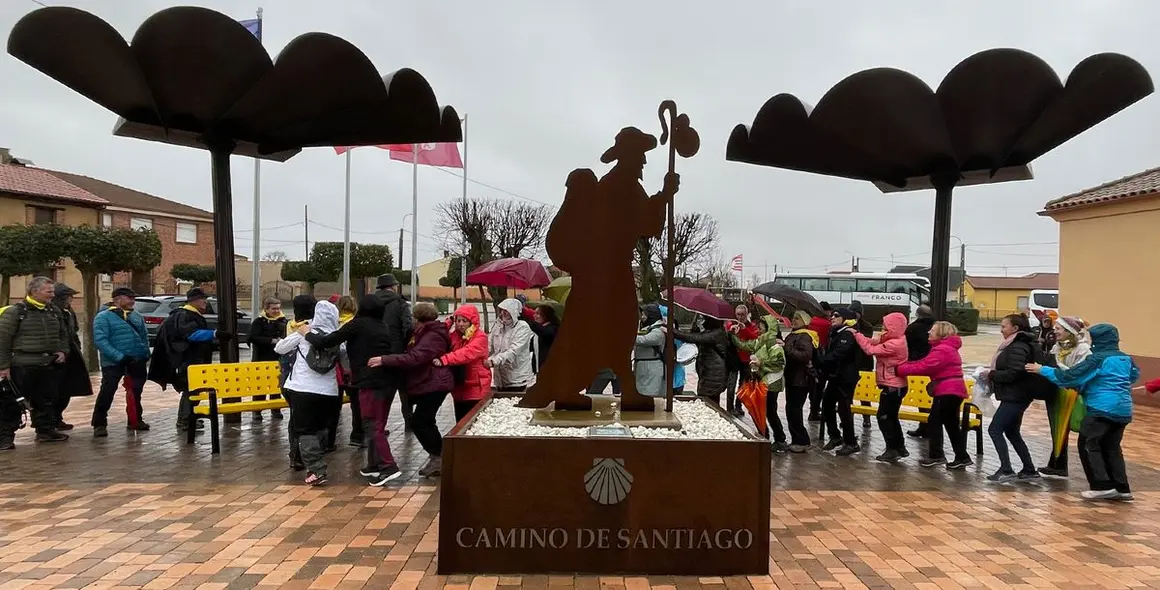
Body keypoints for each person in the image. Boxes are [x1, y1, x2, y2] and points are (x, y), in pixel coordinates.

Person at [517, 126, 678, 413]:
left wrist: (663, 196)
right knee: (615, 325)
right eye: (640, 153)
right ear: (628, 155)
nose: (643, 161)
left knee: (610, 326)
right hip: (607, 272)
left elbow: (644, 223)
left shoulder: (621, 183)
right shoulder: (621, 184)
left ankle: (574, 389)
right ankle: (582, 389)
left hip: (605, 272)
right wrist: (664, 195)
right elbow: (646, 224)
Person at [1027, 324, 1138, 501]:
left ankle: (1101, 486)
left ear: (1099, 340)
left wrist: (1042, 369)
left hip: (1101, 408)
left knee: (1088, 444)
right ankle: (1122, 488)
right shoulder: (1125, 358)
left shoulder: (1097, 359)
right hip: (1123, 409)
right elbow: (1133, 376)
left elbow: (1069, 377)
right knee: (1112, 448)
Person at [302, 294, 401, 486]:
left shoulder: (358, 324)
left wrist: (307, 333)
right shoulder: (383, 326)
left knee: (372, 425)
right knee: (376, 423)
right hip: (388, 381)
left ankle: (388, 467)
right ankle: (374, 465)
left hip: (370, 382)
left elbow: (327, 341)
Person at [370, 302, 453, 477]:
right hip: (429, 382)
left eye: (413, 317)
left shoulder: (432, 336)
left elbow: (415, 357)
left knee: (420, 421)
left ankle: (440, 456)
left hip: (435, 383)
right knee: (425, 421)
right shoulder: (425, 332)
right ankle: (439, 456)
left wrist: (386, 360)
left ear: (418, 319)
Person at [981, 314, 1054, 483]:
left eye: (1004, 326)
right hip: (1017, 394)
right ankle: (1029, 469)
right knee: (1012, 431)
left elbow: (1015, 372)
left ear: (1015, 329)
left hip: (1016, 395)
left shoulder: (1017, 346)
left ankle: (1006, 469)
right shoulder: (1017, 344)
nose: (1001, 330)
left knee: (995, 429)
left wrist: (991, 374)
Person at [0, 276, 71, 447]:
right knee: (12, 403)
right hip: (21, 365)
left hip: (47, 364)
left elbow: (63, 334)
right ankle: (5, 437)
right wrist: (3, 367)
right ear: (35, 291)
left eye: (52, 291)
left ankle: (45, 431)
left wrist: (63, 351)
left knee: (46, 400)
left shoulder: (54, 311)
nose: (52, 295)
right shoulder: (16, 312)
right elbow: (2, 340)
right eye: (48, 292)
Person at [276, 300, 341, 486]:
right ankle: (317, 461)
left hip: (302, 388)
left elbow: (279, 348)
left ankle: (316, 468)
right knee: (321, 428)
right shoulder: (336, 336)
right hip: (329, 391)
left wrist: (299, 333)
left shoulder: (304, 332)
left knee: (305, 430)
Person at [148, 287, 231, 431]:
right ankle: (185, 420)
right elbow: (191, 335)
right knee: (190, 390)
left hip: (195, 360)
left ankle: (190, 417)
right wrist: (214, 334)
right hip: (190, 361)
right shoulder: (185, 315)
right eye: (202, 299)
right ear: (194, 301)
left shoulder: (191, 314)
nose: (205, 301)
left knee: (194, 389)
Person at [897, 321, 973, 470]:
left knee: (934, 421)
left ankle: (937, 455)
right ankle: (962, 457)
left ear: (941, 334)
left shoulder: (942, 350)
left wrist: (900, 369)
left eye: (932, 331)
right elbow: (926, 364)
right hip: (952, 390)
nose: (928, 333)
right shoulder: (945, 348)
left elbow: (924, 366)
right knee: (951, 424)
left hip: (947, 390)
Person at [91, 287, 151, 437]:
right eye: (129, 298)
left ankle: (135, 419)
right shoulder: (103, 317)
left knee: (136, 391)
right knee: (108, 390)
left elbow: (144, 337)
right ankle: (99, 423)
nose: (132, 301)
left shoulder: (136, 316)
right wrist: (119, 357)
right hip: (113, 362)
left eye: (133, 298)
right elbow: (101, 341)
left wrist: (144, 353)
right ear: (117, 299)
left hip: (136, 360)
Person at [853, 312, 909, 463]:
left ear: (893, 327)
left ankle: (892, 449)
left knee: (884, 417)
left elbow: (870, 350)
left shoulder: (894, 344)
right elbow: (873, 341)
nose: (883, 327)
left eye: (886, 325)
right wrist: (859, 335)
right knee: (892, 417)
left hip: (893, 386)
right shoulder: (895, 338)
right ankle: (900, 447)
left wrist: (857, 336)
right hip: (896, 385)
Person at [1039, 316, 1090, 478]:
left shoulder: (1083, 350)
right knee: (1057, 427)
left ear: (1069, 332)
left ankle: (1060, 465)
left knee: (1068, 425)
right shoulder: (1057, 347)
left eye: (1059, 329)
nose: (1055, 331)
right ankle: (1056, 464)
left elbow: (1079, 371)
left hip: (1072, 393)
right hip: (1055, 391)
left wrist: (1058, 367)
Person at [734, 316, 788, 452]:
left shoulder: (775, 345)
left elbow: (779, 363)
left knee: (769, 411)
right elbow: (743, 345)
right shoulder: (760, 342)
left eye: (761, 327)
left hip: (772, 382)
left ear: (768, 328)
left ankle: (779, 439)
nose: (757, 330)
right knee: (759, 409)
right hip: (762, 381)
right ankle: (765, 436)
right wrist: (732, 335)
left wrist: (761, 363)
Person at [818, 308, 863, 456]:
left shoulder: (848, 334)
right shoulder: (836, 332)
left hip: (846, 377)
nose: (832, 318)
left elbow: (839, 354)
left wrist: (821, 360)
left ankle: (851, 442)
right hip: (835, 376)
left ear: (846, 319)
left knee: (844, 409)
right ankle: (835, 436)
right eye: (832, 315)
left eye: (836, 316)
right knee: (827, 405)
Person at [437, 305, 491, 422]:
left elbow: (466, 353)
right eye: (458, 320)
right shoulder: (455, 336)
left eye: (464, 321)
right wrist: (448, 322)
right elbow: (438, 334)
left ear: (472, 322)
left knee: (473, 423)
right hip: (459, 387)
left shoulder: (480, 337)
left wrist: (444, 359)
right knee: (460, 421)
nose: (460, 324)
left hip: (476, 388)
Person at [372, 274, 413, 429]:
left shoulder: (370, 302)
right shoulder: (400, 303)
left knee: (381, 393)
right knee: (404, 391)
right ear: (394, 286)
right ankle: (409, 423)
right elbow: (408, 327)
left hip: (375, 353)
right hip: (397, 352)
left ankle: (379, 426)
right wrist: (405, 344)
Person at [50, 283, 91, 429]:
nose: (71, 299)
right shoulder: (53, 312)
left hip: (71, 355)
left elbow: (74, 332)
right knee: (53, 391)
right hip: (55, 358)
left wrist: (77, 347)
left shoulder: (69, 312)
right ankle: (50, 420)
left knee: (67, 390)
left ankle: (58, 417)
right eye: (69, 297)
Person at [283, 295, 316, 470]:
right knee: (303, 419)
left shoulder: (290, 324)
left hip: (288, 377)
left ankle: (296, 453)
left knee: (296, 417)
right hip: (302, 378)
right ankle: (299, 454)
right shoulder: (308, 327)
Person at [326, 295, 362, 449]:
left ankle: (329, 440)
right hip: (351, 369)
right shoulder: (356, 323)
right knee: (357, 404)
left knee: (333, 406)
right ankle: (357, 436)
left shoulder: (332, 323)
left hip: (334, 371)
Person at [782, 311, 818, 452]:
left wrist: (786, 348)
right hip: (793, 377)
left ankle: (801, 440)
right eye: (793, 317)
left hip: (801, 379)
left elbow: (805, 355)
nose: (793, 320)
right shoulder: (794, 334)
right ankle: (797, 439)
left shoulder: (805, 335)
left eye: (797, 318)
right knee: (791, 409)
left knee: (794, 410)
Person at [673, 315, 730, 403]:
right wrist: (695, 331)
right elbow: (698, 340)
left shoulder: (717, 333)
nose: (703, 321)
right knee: (709, 399)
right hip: (709, 371)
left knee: (708, 400)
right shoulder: (712, 331)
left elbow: (696, 338)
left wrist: (673, 331)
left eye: (705, 318)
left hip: (714, 373)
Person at [247, 297, 287, 421]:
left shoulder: (284, 321)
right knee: (260, 386)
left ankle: (276, 409)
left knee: (276, 385)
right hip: (262, 358)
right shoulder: (259, 322)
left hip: (277, 359)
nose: (276, 311)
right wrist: (272, 341)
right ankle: (257, 411)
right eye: (274, 308)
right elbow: (253, 337)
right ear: (266, 309)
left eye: (278, 308)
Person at [488, 298, 536, 391]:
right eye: (501, 310)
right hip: (500, 379)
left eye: (506, 310)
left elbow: (513, 351)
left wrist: (493, 361)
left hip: (517, 379)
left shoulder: (522, 327)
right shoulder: (498, 326)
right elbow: (489, 346)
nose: (503, 313)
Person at [904, 305, 936, 439]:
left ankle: (924, 426)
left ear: (918, 315)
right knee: (930, 397)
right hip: (933, 366)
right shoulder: (936, 327)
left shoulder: (913, 328)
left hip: (916, 364)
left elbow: (906, 345)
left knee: (921, 396)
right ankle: (928, 426)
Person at [726, 304, 760, 417]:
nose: (740, 317)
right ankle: (729, 407)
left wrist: (745, 330)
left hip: (745, 359)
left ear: (746, 314)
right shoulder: (731, 324)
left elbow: (755, 338)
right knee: (731, 384)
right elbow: (725, 339)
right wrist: (730, 332)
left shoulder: (751, 325)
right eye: (738, 314)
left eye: (742, 314)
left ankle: (738, 406)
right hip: (733, 358)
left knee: (743, 384)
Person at [633, 304, 667, 398]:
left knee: (650, 393)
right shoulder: (647, 328)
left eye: (645, 314)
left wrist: (627, 337)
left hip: (651, 367)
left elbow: (645, 340)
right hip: (643, 365)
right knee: (641, 392)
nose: (642, 317)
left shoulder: (659, 330)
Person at [806, 303, 833, 422]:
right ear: (826, 311)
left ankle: (813, 409)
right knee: (819, 385)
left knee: (812, 385)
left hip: (809, 356)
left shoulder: (810, 322)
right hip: (821, 357)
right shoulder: (828, 324)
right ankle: (815, 410)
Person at [525, 305, 560, 371]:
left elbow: (545, 333)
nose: (534, 315)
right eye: (534, 313)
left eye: (537, 313)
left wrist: (530, 322)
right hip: (537, 368)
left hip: (550, 368)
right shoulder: (537, 331)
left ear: (546, 315)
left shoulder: (553, 329)